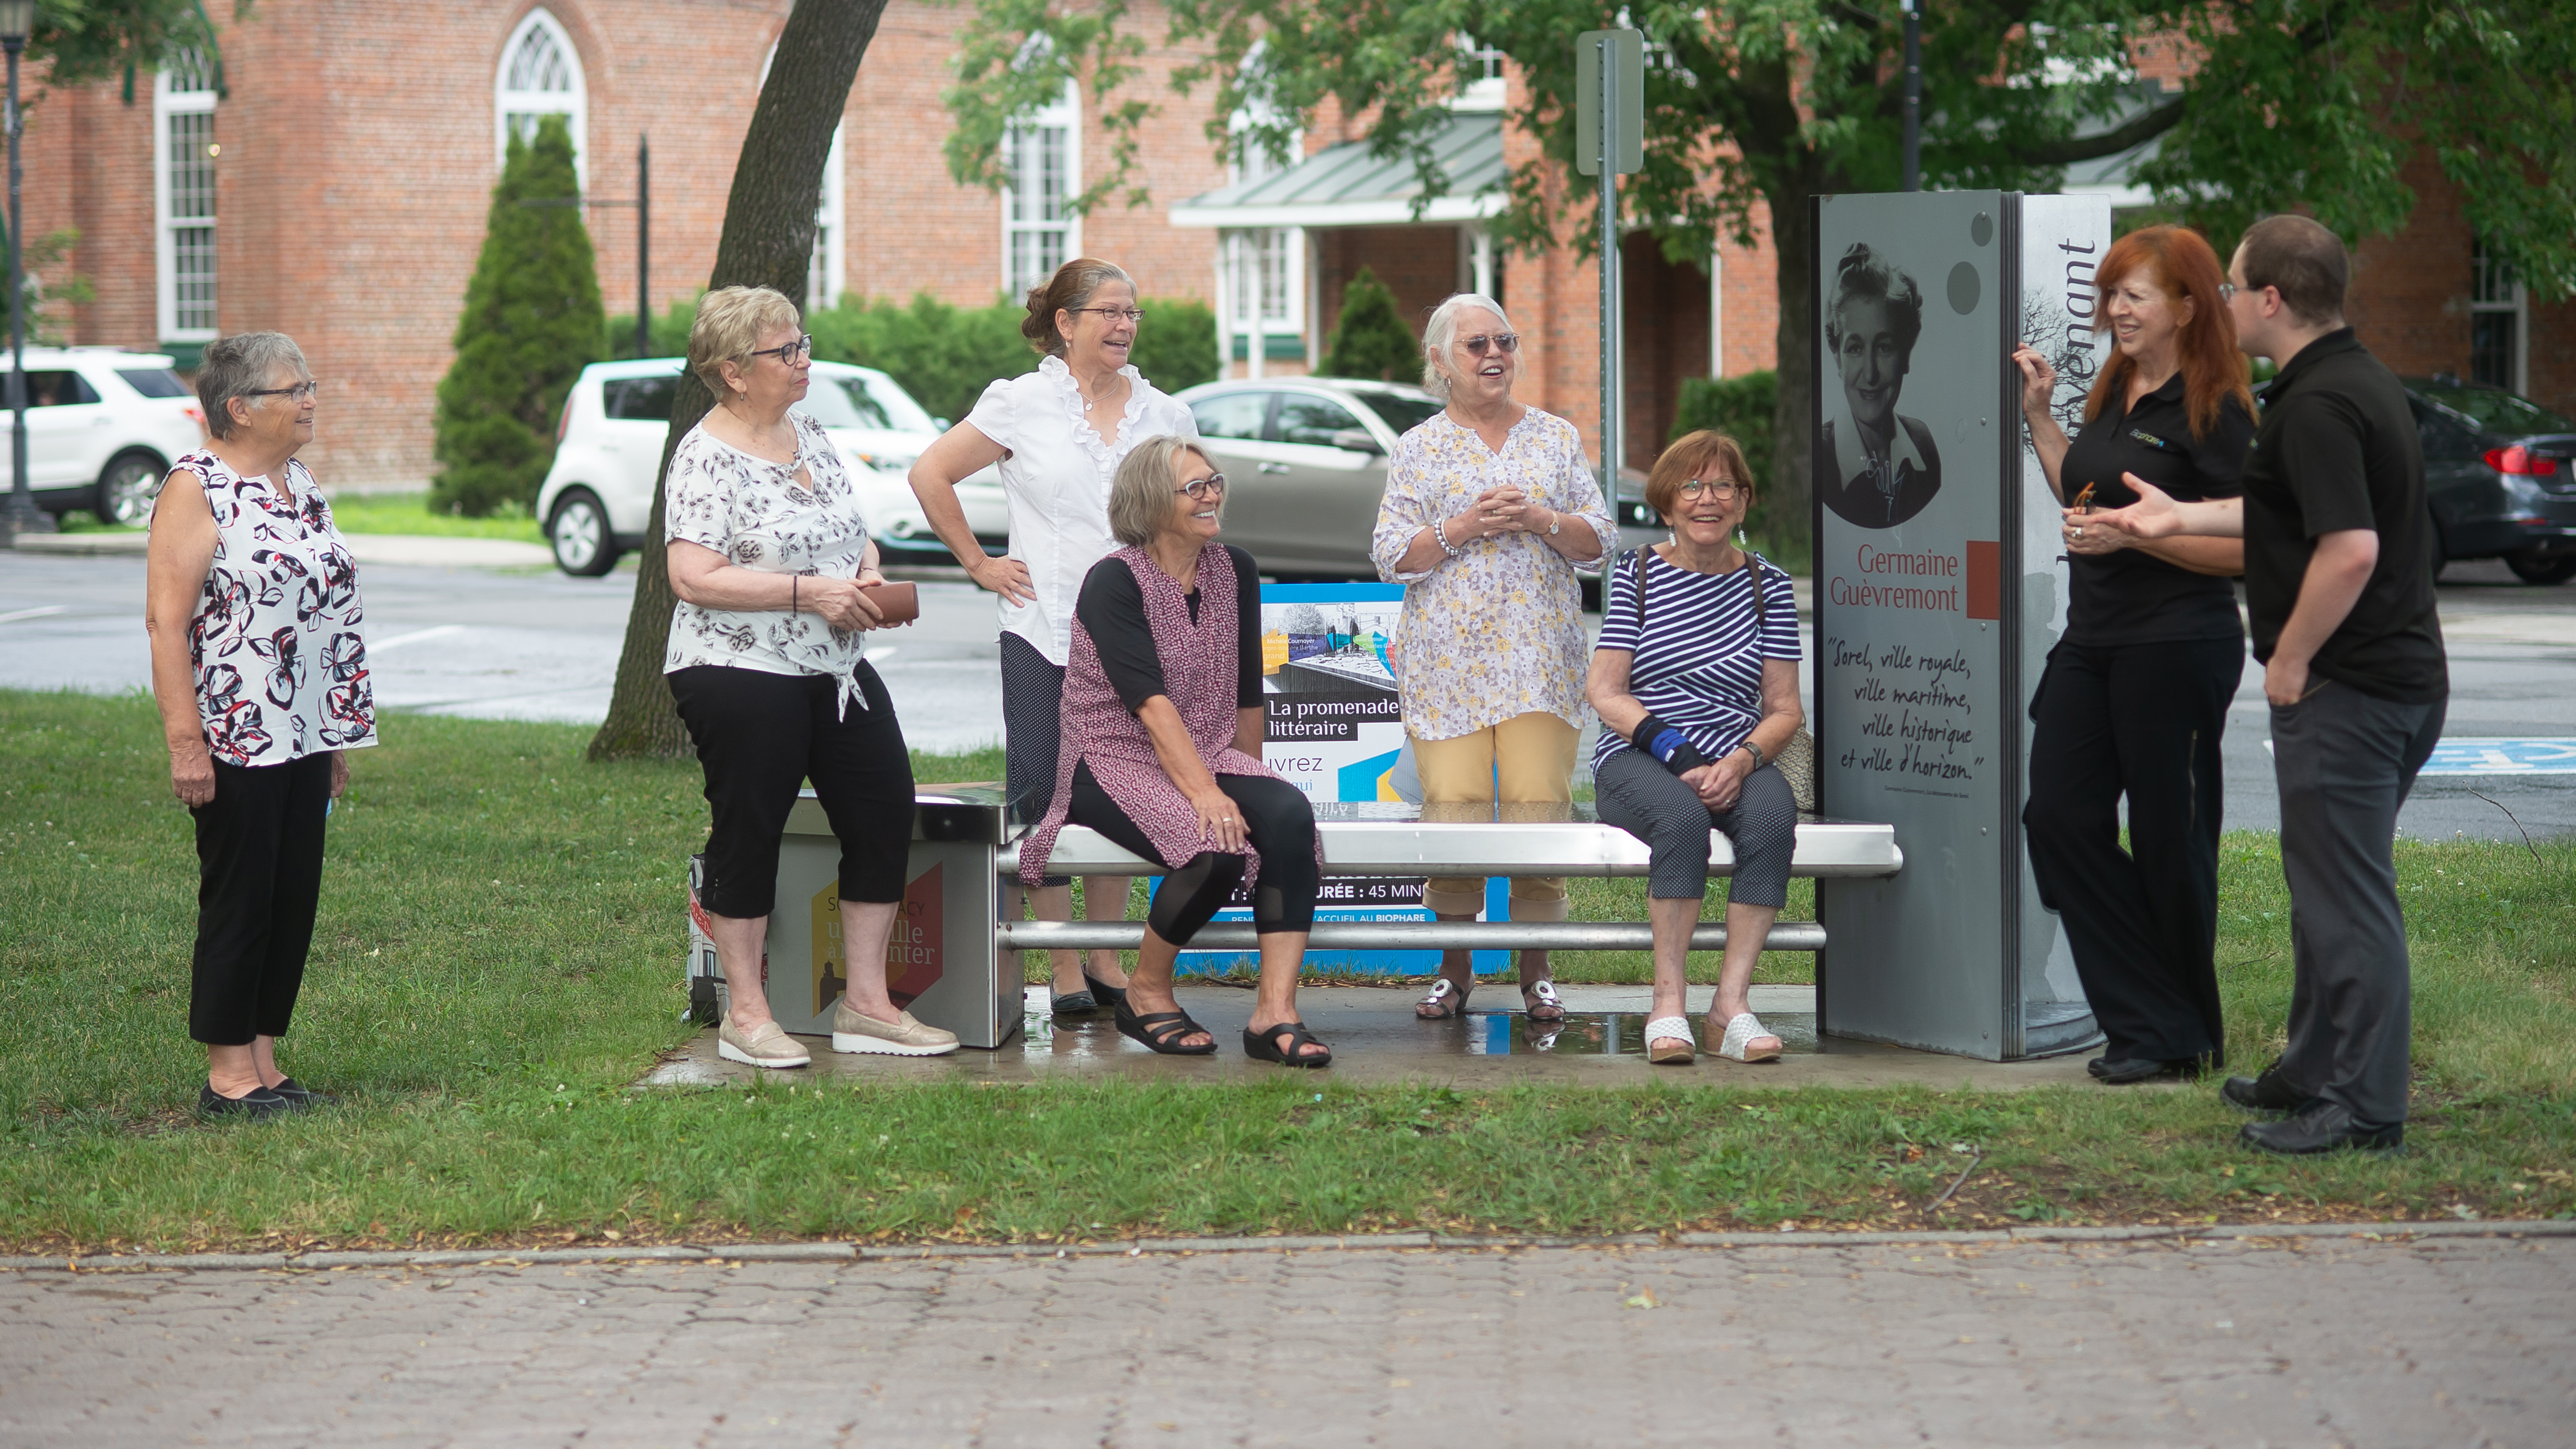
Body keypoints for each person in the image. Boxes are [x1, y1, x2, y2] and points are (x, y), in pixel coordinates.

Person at [2088, 215, 2447, 1154]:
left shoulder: (2319, 403)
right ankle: (2309, 1068)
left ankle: (2361, 1106)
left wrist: (2288, 658)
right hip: (2391, 682)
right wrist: (2175, 518)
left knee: (2346, 898)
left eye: (2234, 286)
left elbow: (2348, 547)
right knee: (2320, 884)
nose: (2224, 301)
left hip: (2352, 687)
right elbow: (2286, 510)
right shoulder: (2344, 381)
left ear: (2271, 300)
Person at [663, 285, 954, 1068]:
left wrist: (861, 570)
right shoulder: (703, 455)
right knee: (749, 826)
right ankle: (746, 1014)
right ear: (731, 369)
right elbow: (692, 575)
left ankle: (865, 1004)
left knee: (883, 808)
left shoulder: (811, 432)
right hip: (737, 668)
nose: (803, 359)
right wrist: (808, 592)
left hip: (835, 667)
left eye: (802, 342)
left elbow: (845, 530)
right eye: (784, 350)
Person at [908, 258, 1199, 1019]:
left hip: (1140, 643)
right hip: (1042, 631)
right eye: (1107, 311)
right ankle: (1063, 964)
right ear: (1065, 324)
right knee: (1044, 797)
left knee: (1123, 795)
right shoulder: (1019, 403)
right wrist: (979, 563)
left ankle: (1106, 954)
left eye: (1132, 312)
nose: (1123, 325)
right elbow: (930, 473)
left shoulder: (1167, 415)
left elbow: (1192, 517)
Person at [2010, 225, 2258, 1086]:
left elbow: (2248, 548)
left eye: (2134, 294)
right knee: (2057, 820)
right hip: (2093, 640)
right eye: (2110, 291)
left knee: (2167, 839)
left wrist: (2138, 541)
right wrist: (2042, 420)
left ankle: (2174, 1034)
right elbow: (2084, 496)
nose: (2114, 307)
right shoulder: (2116, 387)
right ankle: (2155, 1015)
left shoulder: (2214, 407)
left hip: (2177, 645)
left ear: (2186, 307)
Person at [1017, 436, 1332, 1066]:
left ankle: (1275, 1013)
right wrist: (1209, 795)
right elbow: (1149, 704)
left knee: (1289, 817)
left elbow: (1246, 689)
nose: (1211, 495)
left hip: (1207, 751)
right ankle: (1145, 990)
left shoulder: (1233, 567)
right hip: (1108, 760)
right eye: (1194, 488)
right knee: (1213, 847)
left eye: (1213, 481)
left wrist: (1251, 778)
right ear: (1148, 503)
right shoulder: (1112, 581)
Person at [1369, 293, 1615, 1026]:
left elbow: (1601, 540)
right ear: (1440, 362)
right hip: (1446, 669)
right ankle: (1454, 970)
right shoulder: (1417, 446)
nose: (1493, 356)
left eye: (1503, 341)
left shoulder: (1554, 437)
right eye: (1475, 345)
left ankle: (1535, 968)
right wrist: (1463, 526)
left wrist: (1540, 518)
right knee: (1453, 813)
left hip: (1540, 663)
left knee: (1540, 808)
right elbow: (1388, 555)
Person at [143, 332, 372, 1118]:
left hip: (305, 732)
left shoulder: (297, 483)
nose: (311, 398)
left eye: (310, 384)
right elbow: (165, 625)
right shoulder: (195, 487)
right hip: (236, 733)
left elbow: (323, 615)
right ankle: (227, 1075)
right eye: (294, 388)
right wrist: (186, 744)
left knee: (290, 894)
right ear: (240, 408)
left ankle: (264, 1061)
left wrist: (334, 734)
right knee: (241, 898)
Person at [1586, 432, 1803, 1064]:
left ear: (1742, 502)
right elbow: (1605, 691)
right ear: (1665, 502)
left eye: (1722, 487)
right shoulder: (1637, 573)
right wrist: (1680, 756)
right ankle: (1667, 1004)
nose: (1706, 500)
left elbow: (1786, 708)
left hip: (1738, 754)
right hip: (1642, 754)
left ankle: (1729, 1008)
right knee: (1680, 819)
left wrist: (1739, 761)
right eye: (1690, 486)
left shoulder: (1770, 585)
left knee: (1770, 817)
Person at [1818, 243, 1942, 529]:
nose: (1871, 374)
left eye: (1885, 348)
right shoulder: (1821, 455)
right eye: (1855, 349)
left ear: (1907, 354)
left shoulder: (1922, 444)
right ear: (1837, 356)